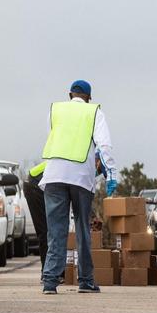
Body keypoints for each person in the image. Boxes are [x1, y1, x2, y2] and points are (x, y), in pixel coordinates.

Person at [39, 80, 118, 294]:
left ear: (69, 94)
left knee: (56, 231)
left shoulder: (55, 110)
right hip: (81, 177)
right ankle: (85, 281)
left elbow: (52, 138)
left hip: (54, 175)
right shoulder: (94, 113)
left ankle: (50, 282)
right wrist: (111, 174)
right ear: (89, 98)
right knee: (83, 228)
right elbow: (105, 145)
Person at [23, 160, 49, 265]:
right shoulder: (81, 166)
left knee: (51, 230)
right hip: (35, 185)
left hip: (41, 184)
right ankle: (48, 272)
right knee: (45, 230)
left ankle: (51, 271)